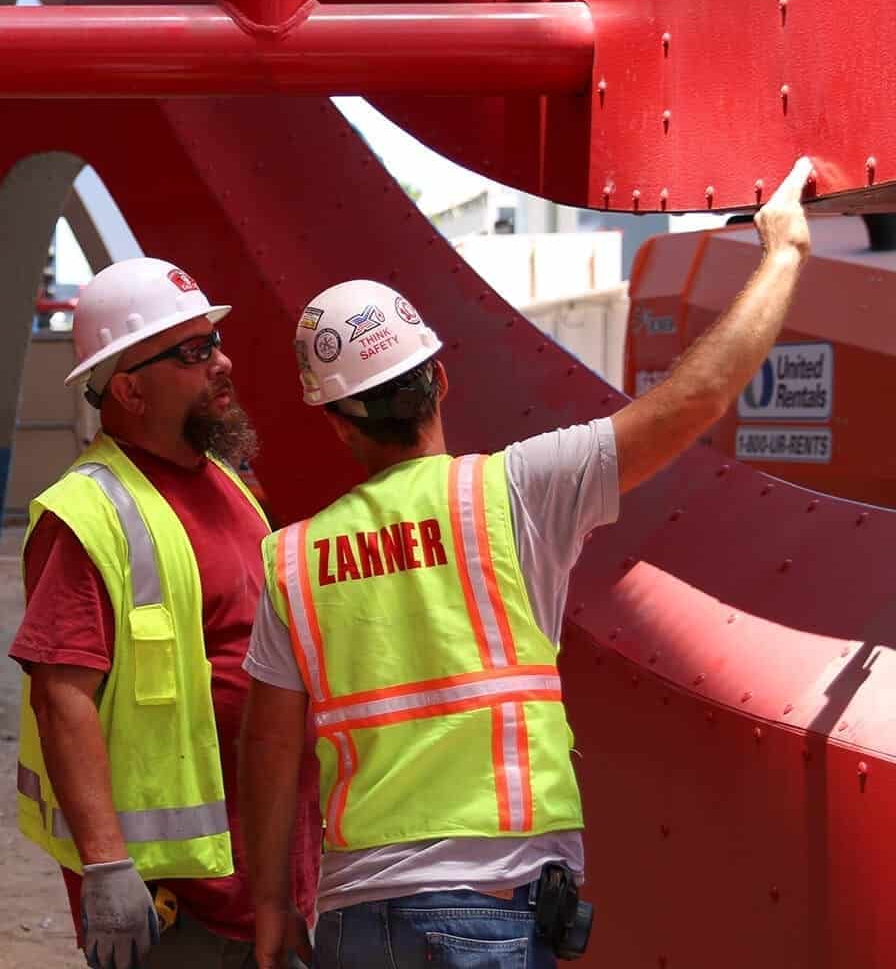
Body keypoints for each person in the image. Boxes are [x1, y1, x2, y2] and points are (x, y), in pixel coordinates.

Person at [238, 159, 819, 968]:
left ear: (338, 423)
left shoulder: (292, 558)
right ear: (439, 377)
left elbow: (268, 748)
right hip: (491, 910)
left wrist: (270, 903)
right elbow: (697, 398)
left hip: (353, 918)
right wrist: (784, 249)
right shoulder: (518, 491)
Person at [11, 256, 318, 968]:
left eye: (213, 340)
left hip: (268, 883)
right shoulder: (88, 513)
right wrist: (107, 868)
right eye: (194, 351)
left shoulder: (229, 486)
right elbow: (63, 698)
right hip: (179, 907)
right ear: (128, 388)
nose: (223, 362)